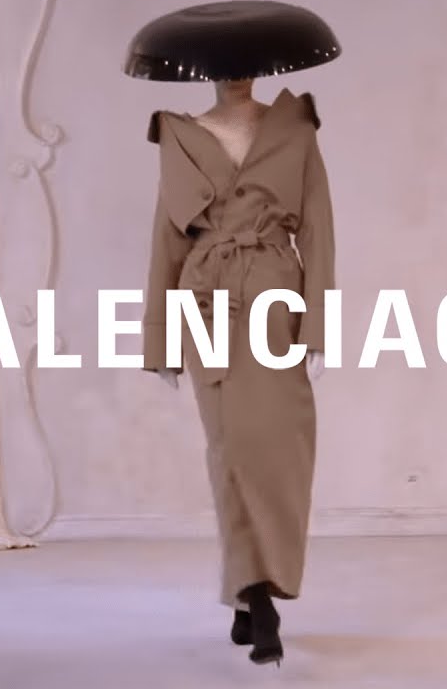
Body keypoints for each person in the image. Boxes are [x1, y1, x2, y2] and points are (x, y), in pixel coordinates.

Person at [142, 81, 335, 666]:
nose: (237, 74)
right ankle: (259, 596)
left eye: (247, 63)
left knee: (282, 449)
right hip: (204, 301)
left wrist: (318, 327)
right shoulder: (181, 136)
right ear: (206, 71)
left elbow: (318, 230)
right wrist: (160, 340)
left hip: (276, 299)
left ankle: (248, 597)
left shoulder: (295, 129)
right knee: (230, 451)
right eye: (225, 65)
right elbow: (167, 239)